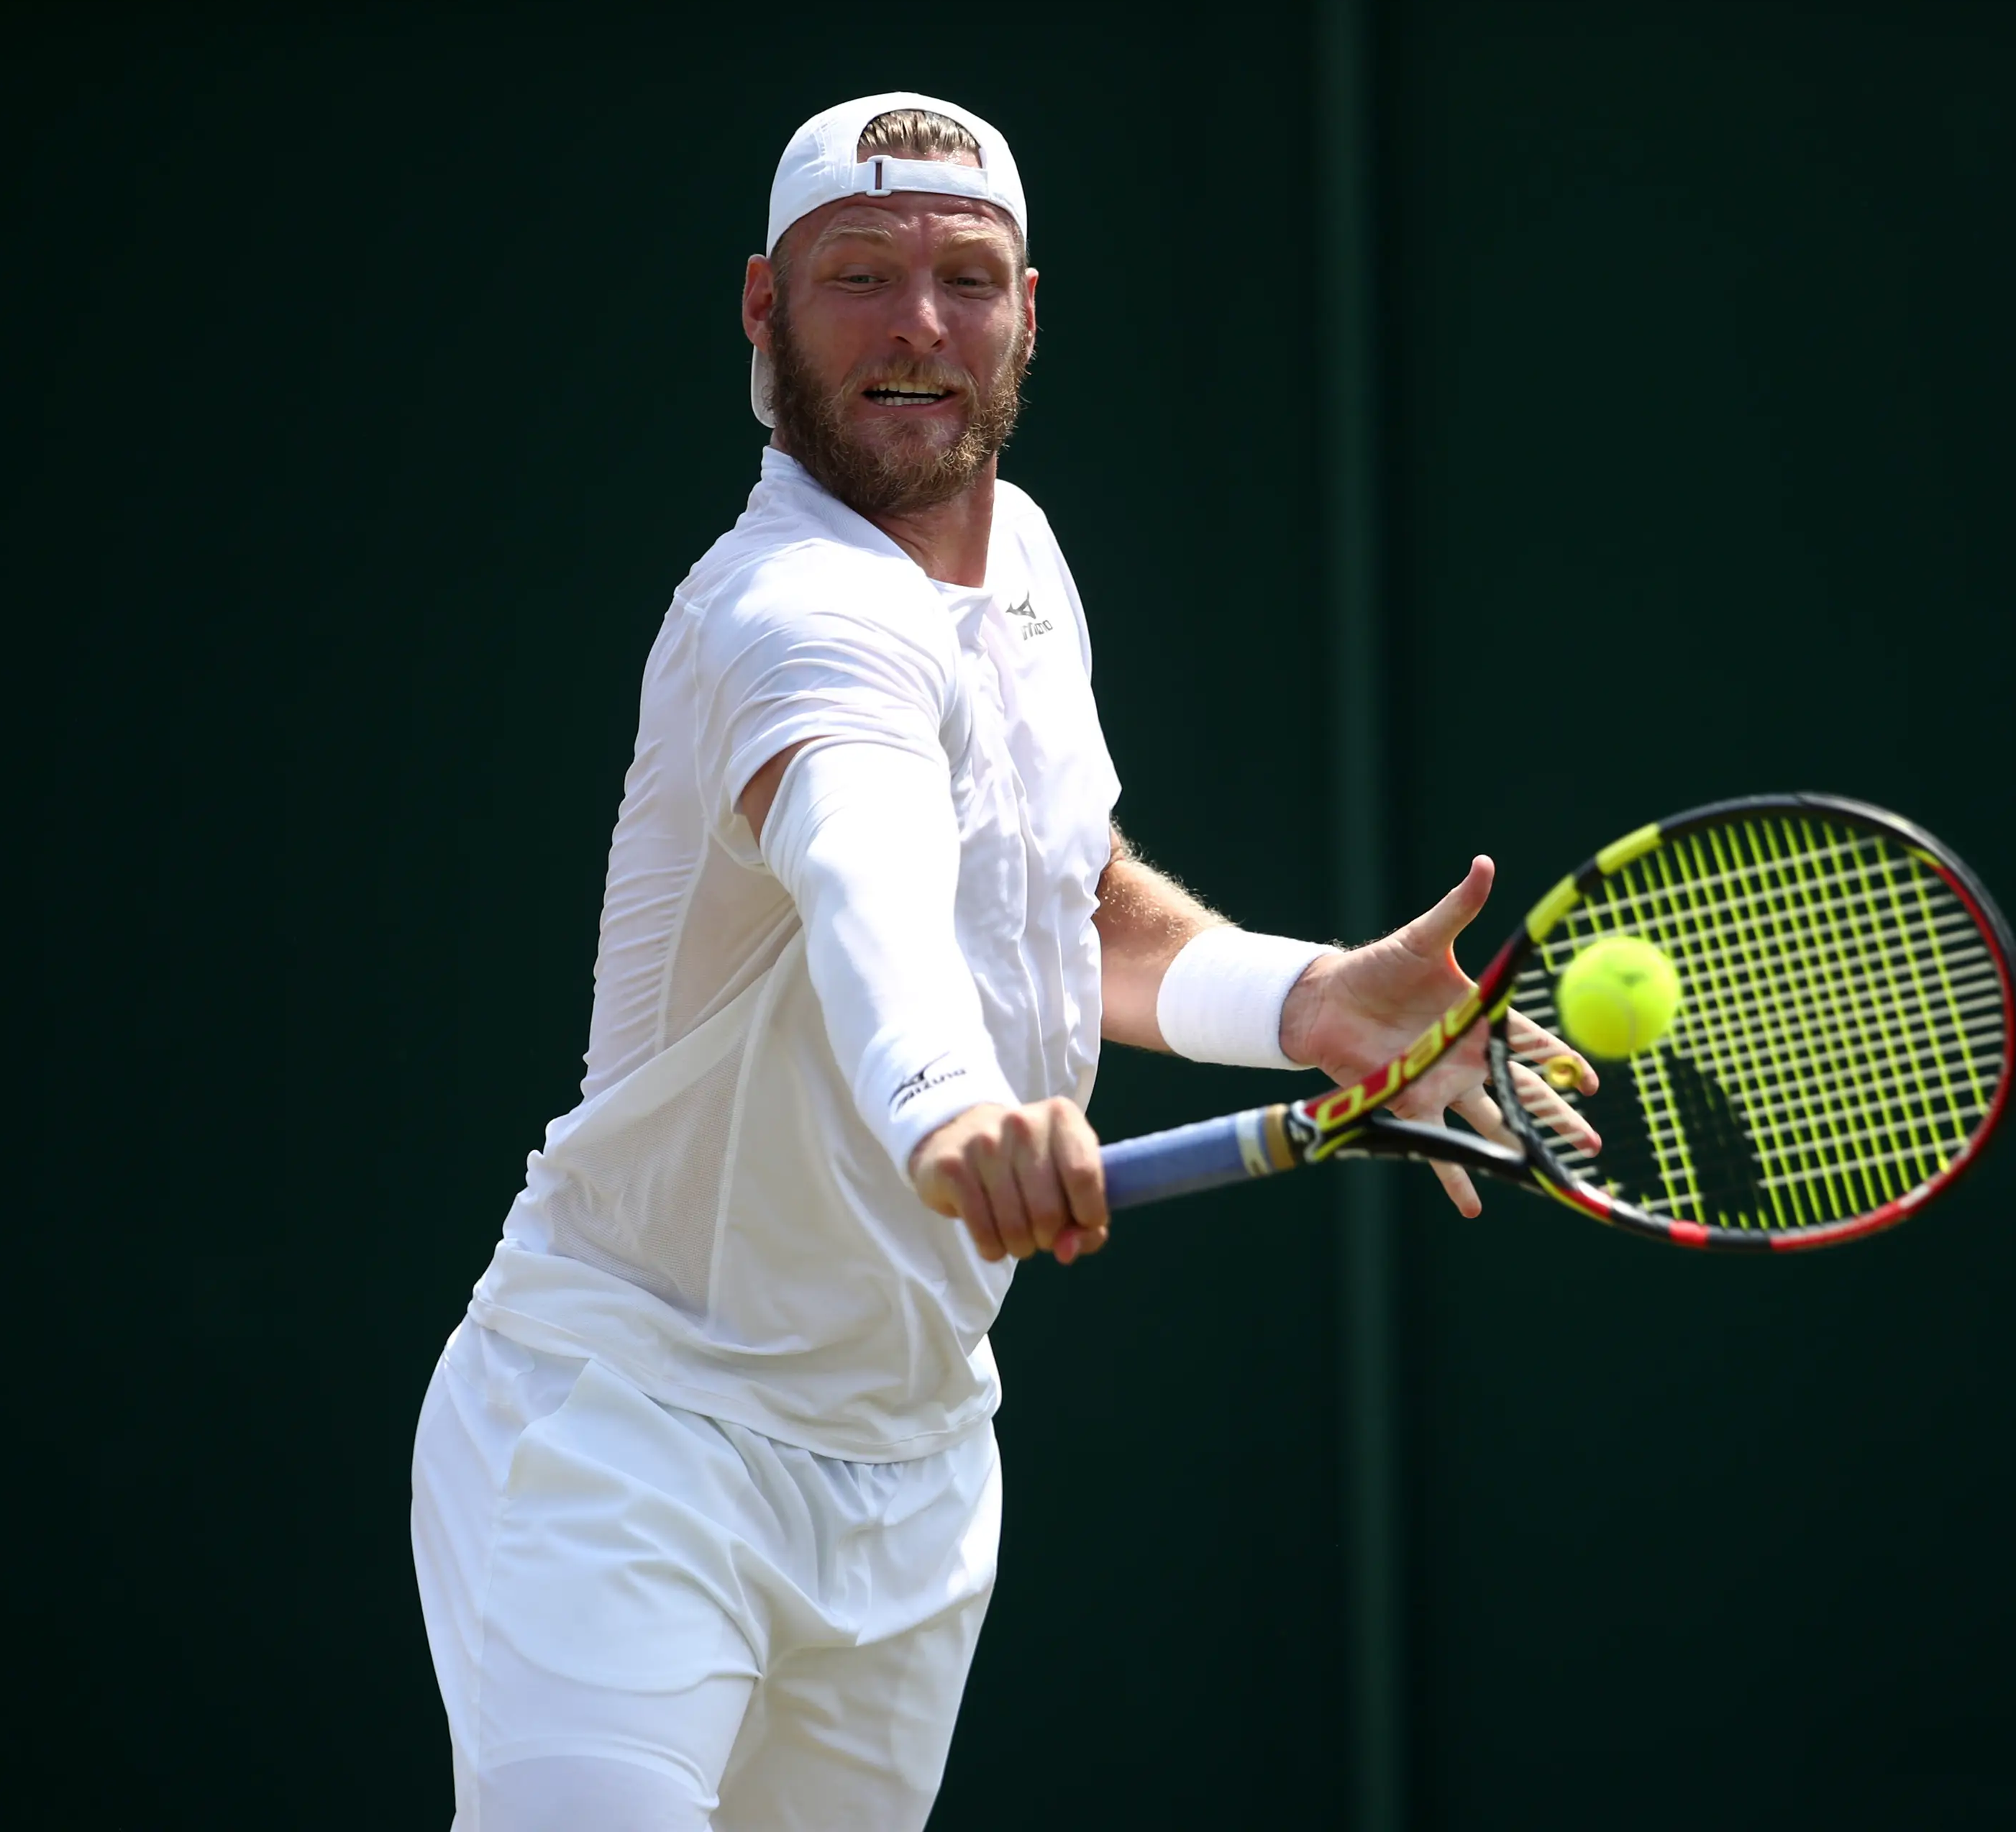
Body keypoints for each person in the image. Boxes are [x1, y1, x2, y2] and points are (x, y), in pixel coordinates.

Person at [409, 93, 1537, 1830]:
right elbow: (864, 879)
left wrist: (1307, 997)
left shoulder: (1023, 567)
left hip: (917, 1480)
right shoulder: (786, 615)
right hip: (624, 1435)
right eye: (860, 277)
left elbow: (1065, 907)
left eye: (965, 277)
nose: (918, 324)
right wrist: (950, 1110)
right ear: (762, 313)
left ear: (1030, 311)